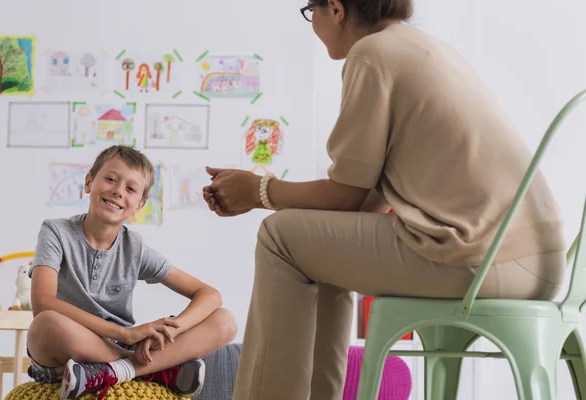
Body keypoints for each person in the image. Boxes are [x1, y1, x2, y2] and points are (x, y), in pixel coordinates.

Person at [202, 0, 567, 399]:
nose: (313, 23)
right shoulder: (423, 48)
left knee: (279, 235)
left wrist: (258, 191)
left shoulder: (371, 54)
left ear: (336, 10)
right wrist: (257, 190)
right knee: (315, 247)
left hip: (482, 258)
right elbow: (360, 202)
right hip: (537, 260)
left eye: (311, 10)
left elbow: (343, 196)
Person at [27, 145, 237, 400]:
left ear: (139, 205)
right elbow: (42, 303)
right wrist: (126, 334)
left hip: (118, 348)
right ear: (89, 182)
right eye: (111, 179)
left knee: (225, 321)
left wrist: (174, 330)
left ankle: (119, 371)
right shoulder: (55, 232)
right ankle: (152, 370)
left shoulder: (134, 248)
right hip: (66, 352)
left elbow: (209, 294)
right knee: (44, 324)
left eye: (130, 189)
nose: (118, 191)